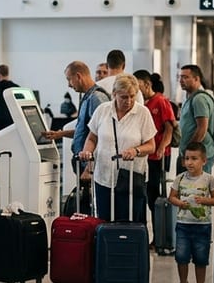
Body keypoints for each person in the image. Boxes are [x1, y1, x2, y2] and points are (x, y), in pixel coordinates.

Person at [77, 74, 157, 222]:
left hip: (131, 178)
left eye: (132, 96)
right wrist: (87, 151)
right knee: (104, 221)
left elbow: (151, 146)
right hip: (104, 176)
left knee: (130, 221)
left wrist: (136, 150)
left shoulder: (142, 113)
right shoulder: (102, 110)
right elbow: (92, 138)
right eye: (124, 97)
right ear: (114, 94)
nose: (129, 101)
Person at [168, 142, 214, 283]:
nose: (189, 162)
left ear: (204, 161)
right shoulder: (179, 178)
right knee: (181, 255)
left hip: (202, 226)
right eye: (187, 158)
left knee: (201, 257)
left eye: (194, 159)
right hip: (183, 225)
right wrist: (179, 203)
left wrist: (204, 200)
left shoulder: (209, 179)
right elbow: (172, 197)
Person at [44, 61, 110, 179]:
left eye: (69, 79)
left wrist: (89, 169)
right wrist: (60, 134)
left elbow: (102, 135)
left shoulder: (96, 98)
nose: (69, 85)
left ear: (78, 76)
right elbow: (86, 131)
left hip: (92, 168)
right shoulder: (88, 97)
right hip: (84, 164)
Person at [134, 70, 175, 211]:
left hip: (158, 154)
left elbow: (169, 128)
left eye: (138, 86)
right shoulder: (142, 103)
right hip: (146, 154)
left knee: (154, 190)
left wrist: (162, 147)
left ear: (147, 84)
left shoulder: (161, 101)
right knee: (147, 189)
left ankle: (159, 219)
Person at [177, 64, 214, 172]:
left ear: (196, 79)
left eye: (185, 77)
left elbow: (201, 129)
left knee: (197, 183)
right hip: (191, 155)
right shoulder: (190, 97)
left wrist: (189, 154)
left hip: (197, 156)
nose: (181, 80)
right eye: (180, 77)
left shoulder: (199, 99)